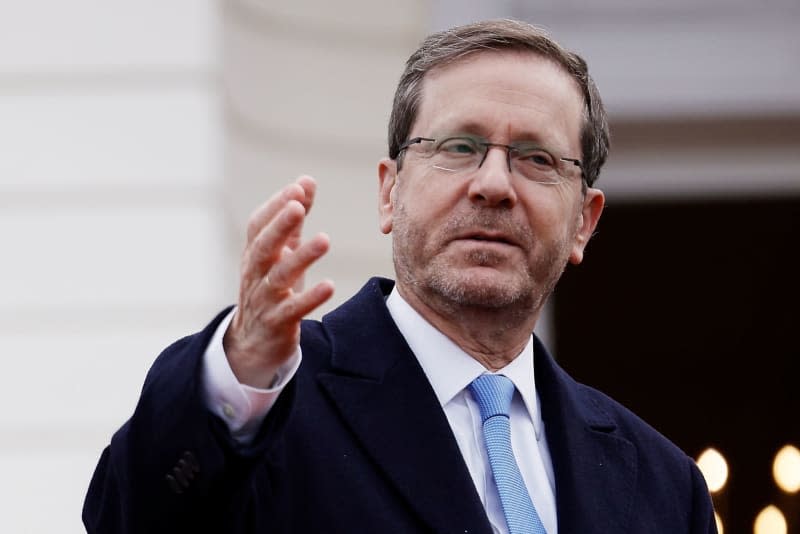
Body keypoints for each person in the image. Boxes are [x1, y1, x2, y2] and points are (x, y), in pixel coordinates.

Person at [84, 19, 717, 534]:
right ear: (390, 193)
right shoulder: (273, 405)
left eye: (536, 158)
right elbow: (131, 517)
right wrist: (238, 374)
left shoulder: (663, 485)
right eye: (459, 147)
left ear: (584, 220)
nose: (493, 185)